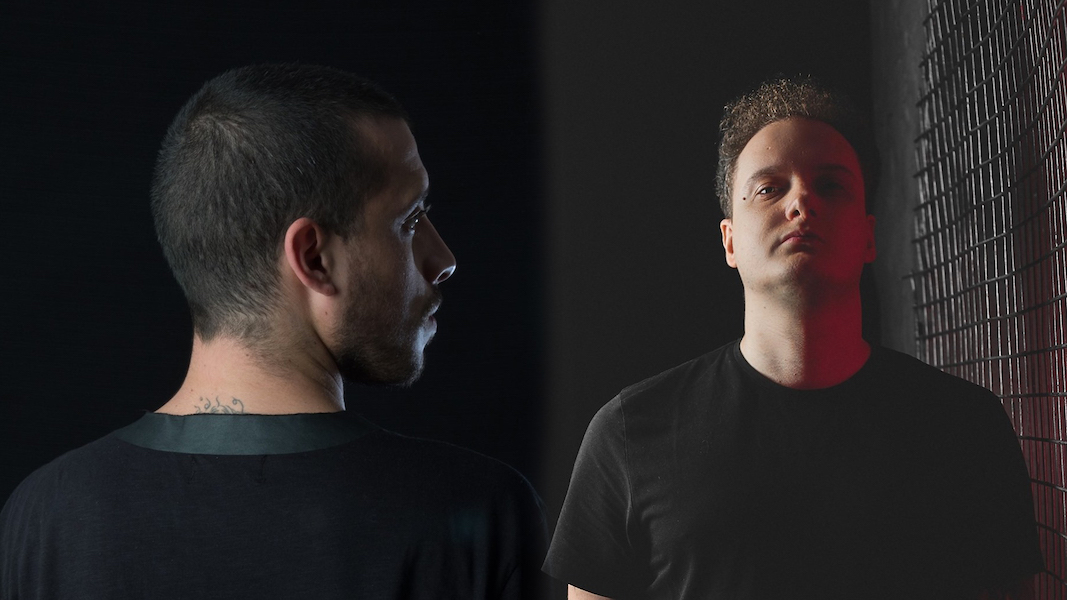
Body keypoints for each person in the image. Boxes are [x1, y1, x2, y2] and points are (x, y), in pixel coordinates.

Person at [0, 63, 548, 599]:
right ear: (313, 258)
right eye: (408, 221)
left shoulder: (43, 519)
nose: (443, 258)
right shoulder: (475, 514)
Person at [543, 77, 1044, 599]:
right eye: (769, 188)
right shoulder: (629, 432)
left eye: (830, 185)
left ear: (869, 236)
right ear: (730, 241)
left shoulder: (964, 428)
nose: (802, 200)